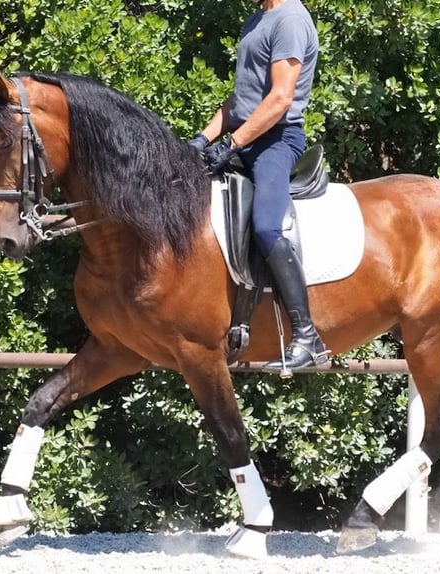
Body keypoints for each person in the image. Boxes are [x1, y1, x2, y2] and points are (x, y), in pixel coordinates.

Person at [188, 0, 327, 372]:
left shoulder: (291, 19)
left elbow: (280, 98)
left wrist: (232, 144)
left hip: (277, 141)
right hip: (244, 137)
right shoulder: (256, 20)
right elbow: (241, 99)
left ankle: (306, 333)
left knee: (266, 225)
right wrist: (201, 140)